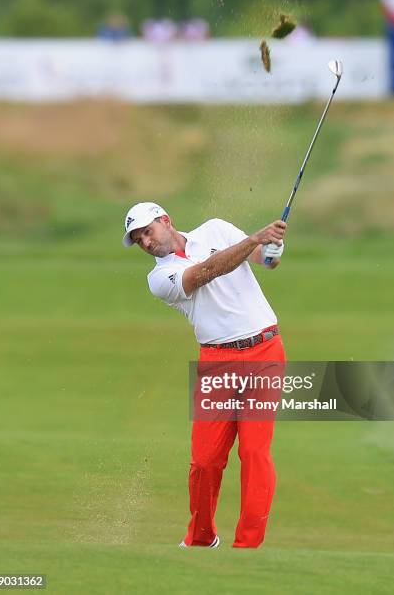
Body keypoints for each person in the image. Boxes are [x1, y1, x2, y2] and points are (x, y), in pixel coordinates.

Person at [122, 202, 287, 548]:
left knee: (255, 453)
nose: (146, 243)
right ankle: (200, 538)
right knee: (206, 461)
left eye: (147, 232)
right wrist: (254, 239)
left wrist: (272, 247)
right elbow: (205, 273)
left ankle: (248, 546)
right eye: (138, 240)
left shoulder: (216, 229)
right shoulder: (158, 278)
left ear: (166, 221)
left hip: (265, 351)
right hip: (217, 360)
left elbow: (265, 261)